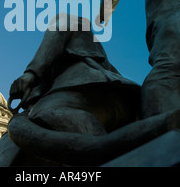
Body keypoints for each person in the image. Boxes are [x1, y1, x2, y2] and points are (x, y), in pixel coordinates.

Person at [9, 13, 141, 136]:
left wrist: (30, 74)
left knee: (39, 116)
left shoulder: (64, 20)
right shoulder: (96, 50)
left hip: (87, 90)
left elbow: (54, 40)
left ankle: (99, 145)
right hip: (125, 102)